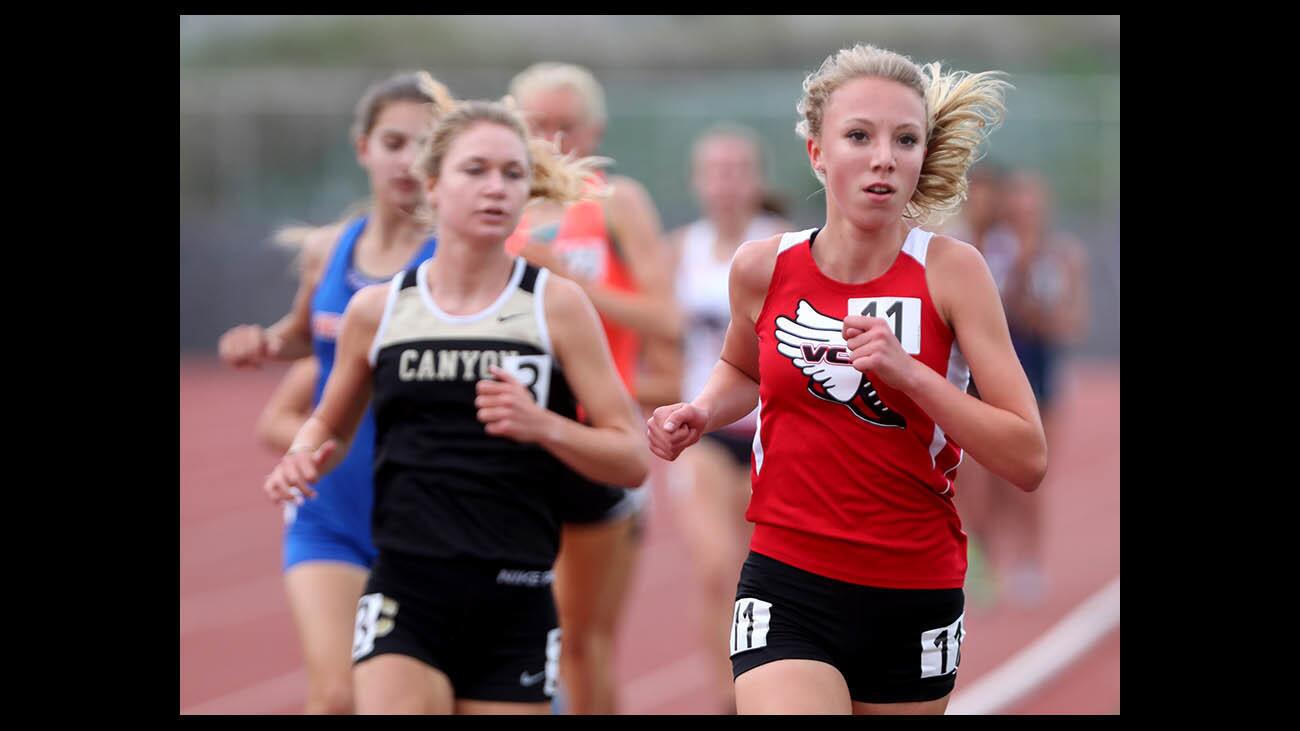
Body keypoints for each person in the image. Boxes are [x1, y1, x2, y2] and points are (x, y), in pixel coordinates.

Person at [646, 43, 1046, 715]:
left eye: (905, 139)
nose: (884, 156)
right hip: (788, 578)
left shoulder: (953, 272)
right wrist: (703, 408)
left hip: (912, 584)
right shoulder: (761, 266)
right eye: (859, 135)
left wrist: (912, 376)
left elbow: (1027, 455)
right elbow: (742, 366)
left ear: (922, 157)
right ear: (817, 153)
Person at [262, 97, 650, 715]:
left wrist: (543, 425)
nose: (496, 188)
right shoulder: (380, 311)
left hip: (515, 593)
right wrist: (302, 456)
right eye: (476, 171)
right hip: (406, 591)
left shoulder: (556, 306)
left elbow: (631, 459)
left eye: (513, 173)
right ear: (433, 184)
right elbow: (325, 423)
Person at [216, 70, 451, 714]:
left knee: (420, 698)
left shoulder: (454, 260)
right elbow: (304, 334)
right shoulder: (330, 249)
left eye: (424, 146)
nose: (407, 161)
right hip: (331, 513)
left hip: (429, 515)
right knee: (336, 693)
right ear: (363, 148)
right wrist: (260, 342)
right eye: (393, 142)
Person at [504, 62, 678, 714]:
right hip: (511, 440)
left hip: (595, 438)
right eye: (536, 125)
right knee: (508, 631)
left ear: (595, 129)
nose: (551, 139)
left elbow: (665, 319)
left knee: (581, 641)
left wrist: (565, 281)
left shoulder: (616, 202)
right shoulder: (500, 206)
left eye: (565, 125)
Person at [665, 123, 792, 714]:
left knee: (767, 577)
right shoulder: (678, 251)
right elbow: (660, 341)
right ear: (696, 181)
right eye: (714, 171)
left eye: (738, 170)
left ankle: (770, 686)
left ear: (757, 179)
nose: (726, 183)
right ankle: (726, 699)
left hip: (780, 433)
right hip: (709, 435)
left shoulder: (787, 247)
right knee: (717, 569)